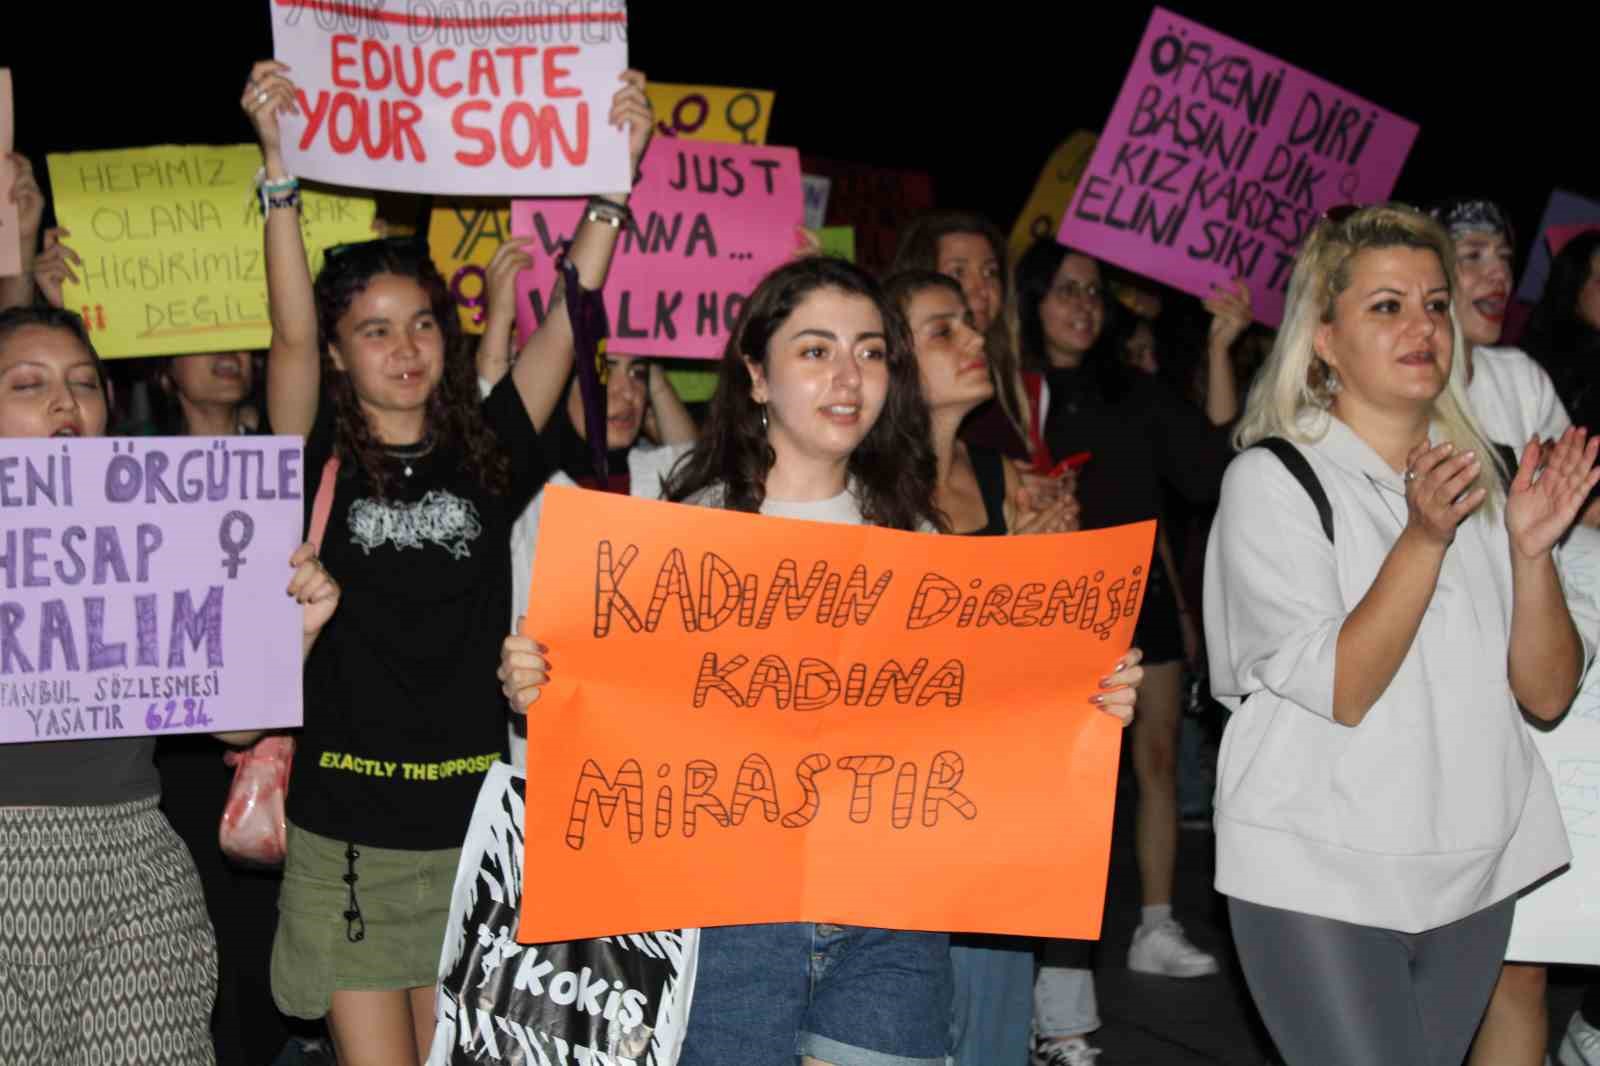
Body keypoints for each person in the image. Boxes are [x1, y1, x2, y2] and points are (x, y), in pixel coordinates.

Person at [498, 256, 1143, 1066]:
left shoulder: (919, 540)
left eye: (871, 352)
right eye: (815, 351)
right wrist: (539, 690)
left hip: (893, 920)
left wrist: (1083, 700)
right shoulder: (675, 537)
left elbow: (980, 721)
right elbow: (616, 732)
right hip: (729, 927)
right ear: (757, 377)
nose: (849, 377)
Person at [242, 57, 651, 1066]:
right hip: (349, 842)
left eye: (421, 322)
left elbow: (567, 320)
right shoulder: (313, 462)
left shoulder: (487, 453)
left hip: (475, 838)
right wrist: (278, 168)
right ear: (339, 355)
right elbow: (287, 334)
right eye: (373, 331)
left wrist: (613, 185)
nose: (405, 347)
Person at [1208, 203, 1593, 1066]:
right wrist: (1424, 538)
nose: (1423, 326)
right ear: (1324, 337)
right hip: (1316, 871)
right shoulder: (1273, 481)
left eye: (1435, 304)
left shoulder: (1493, 472)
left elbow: (1547, 691)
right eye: (1387, 306)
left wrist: (1532, 553)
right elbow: (1344, 687)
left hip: (1471, 865)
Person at [0, 304, 339, 1066]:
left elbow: (233, 729)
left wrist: (296, 634)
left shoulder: (159, 520)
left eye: (85, 383)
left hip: (131, 862)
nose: (66, 401)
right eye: (30, 384)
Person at [1013, 236, 1247, 1065]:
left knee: (1154, 764)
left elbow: (1215, 469)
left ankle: (1154, 924)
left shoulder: (1137, 393)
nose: (1083, 306)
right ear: (1031, 299)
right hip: (1044, 613)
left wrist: (1220, 346)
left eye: (1093, 293)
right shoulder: (1008, 392)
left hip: (1137, 605)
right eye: (1065, 291)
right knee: (1063, 792)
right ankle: (1045, 975)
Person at [1414, 198, 1576, 1066]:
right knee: (1428, 968)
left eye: (1504, 256)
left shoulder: (1517, 378)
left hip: (1523, 694)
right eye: (1471, 252)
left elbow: (1575, 510)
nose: (1497, 273)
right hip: (1417, 707)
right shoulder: (1391, 383)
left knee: (1518, 964)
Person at [473, 218, 697, 767]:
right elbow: (497, 413)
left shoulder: (658, 478)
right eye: (601, 369)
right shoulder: (525, 489)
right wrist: (501, 318)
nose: (623, 392)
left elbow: (702, 469)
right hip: (549, 766)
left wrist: (652, 354)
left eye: (637, 374)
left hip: (653, 759)